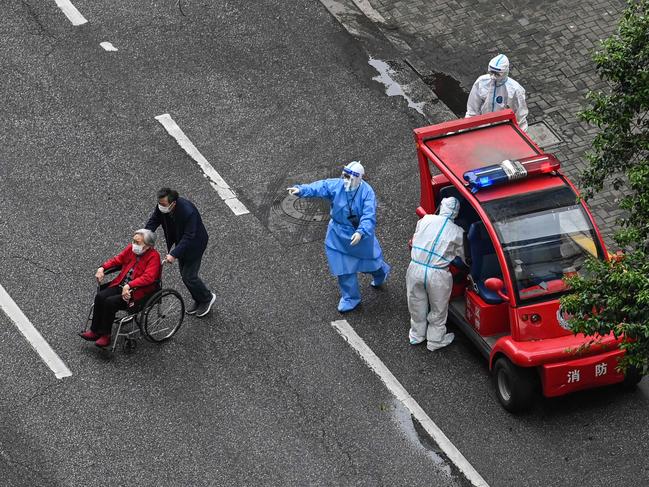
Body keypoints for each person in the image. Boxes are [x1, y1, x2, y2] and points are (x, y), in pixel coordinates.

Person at [287, 161, 390, 312]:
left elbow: (369, 216)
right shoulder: (337, 185)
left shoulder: (367, 193)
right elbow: (320, 186)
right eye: (345, 176)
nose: (346, 180)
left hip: (358, 235)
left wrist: (361, 232)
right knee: (343, 268)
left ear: (359, 178)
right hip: (337, 235)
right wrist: (301, 190)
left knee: (370, 263)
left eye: (350, 177)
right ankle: (350, 298)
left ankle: (380, 272)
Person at [79, 229, 161, 348]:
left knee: (110, 302)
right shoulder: (131, 249)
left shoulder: (154, 257)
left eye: (137, 242)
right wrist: (102, 268)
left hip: (137, 292)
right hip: (121, 285)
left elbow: (148, 277)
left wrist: (129, 285)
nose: (134, 244)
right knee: (100, 296)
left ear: (148, 246)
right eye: (133, 241)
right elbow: (118, 260)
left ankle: (105, 335)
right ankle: (95, 330)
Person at [145, 188, 216, 317]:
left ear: (173, 203)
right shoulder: (162, 206)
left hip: (195, 244)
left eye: (163, 204)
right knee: (185, 276)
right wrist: (144, 235)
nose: (160, 207)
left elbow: (189, 236)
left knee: (189, 276)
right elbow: (154, 220)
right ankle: (199, 298)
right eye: (159, 204)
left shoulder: (188, 212)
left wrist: (174, 253)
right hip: (182, 243)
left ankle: (207, 298)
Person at [407, 197, 465, 351]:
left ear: (442, 207)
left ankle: (417, 335)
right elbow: (464, 257)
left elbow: (416, 237)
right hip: (438, 273)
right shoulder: (458, 232)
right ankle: (435, 339)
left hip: (416, 267)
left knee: (416, 302)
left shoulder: (426, 219)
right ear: (456, 213)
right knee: (438, 307)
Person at [465, 54, 528, 131]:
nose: (493, 77)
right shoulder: (481, 82)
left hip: (503, 130)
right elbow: (472, 109)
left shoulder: (515, 90)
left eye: (497, 74)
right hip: (482, 128)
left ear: (505, 72)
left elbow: (520, 117)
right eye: (491, 72)